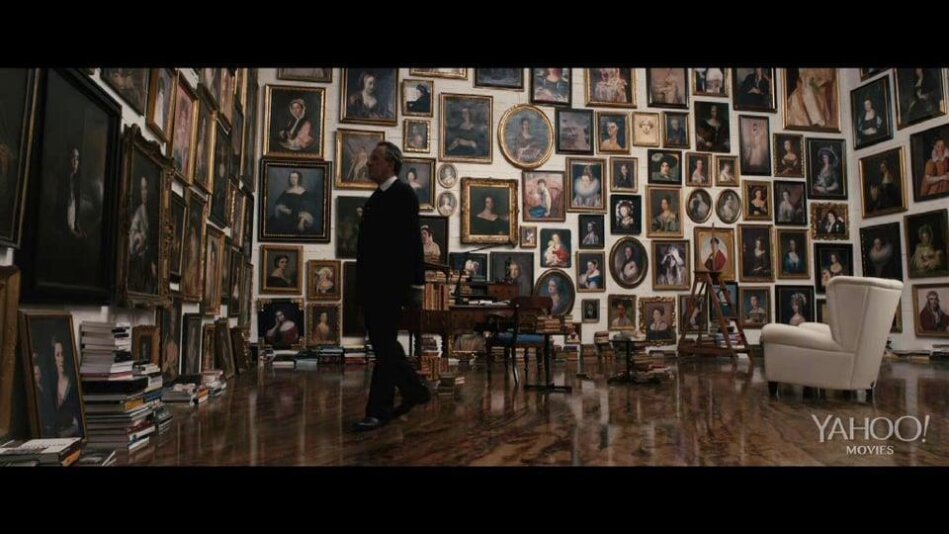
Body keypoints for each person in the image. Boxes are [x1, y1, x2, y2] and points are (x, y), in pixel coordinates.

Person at [354, 141, 429, 431]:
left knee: (384, 347)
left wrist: (416, 285)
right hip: (373, 286)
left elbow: (411, 243)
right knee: (384, 345)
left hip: (391, 286)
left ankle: (379, 411)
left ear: (390, 164)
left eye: (375, 159)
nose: (369, 163)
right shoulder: (376, 198)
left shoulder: (403, 194)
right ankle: (415, 390)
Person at [128, 175, 156, 294]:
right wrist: (138, 237)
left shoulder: (153, 212)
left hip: (149, 262)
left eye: (146, 188)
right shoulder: (139, 212)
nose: (144, 192)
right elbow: (132, 237)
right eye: (142, 189)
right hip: (140, 264)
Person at [270, 170, 319, 235]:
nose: (292, 179)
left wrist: (301, 222)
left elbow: (308, 209)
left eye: (295, 178)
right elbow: (278, 204)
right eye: (291, 177)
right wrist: (284, 210)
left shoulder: (304, 193)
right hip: (284, 217)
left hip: (297, 218)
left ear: (299, 179)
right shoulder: (286, 192)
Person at [50, 337, 81, 438]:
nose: (61, 359)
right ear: (53, 358)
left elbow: (78, 422)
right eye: (58, 355)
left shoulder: (73, 384)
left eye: (63, 354)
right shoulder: (50, 384)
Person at [64, 147, 85, 239]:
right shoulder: (63, 184)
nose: (76, 162)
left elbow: (74, 221)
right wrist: (76, 235)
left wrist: (79, 232)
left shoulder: (75, 182)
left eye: (77, 159)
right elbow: (65, 225)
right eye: (73, 157)